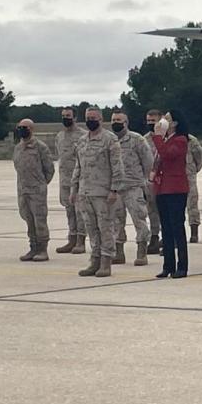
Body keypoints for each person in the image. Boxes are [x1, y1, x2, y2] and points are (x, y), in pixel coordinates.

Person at [71, 107, 125, 278]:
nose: (90, 120)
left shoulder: (110, 139)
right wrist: (74, 189)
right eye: (88, 117)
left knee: (105, 228)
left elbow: (117, 167)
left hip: (103, 193)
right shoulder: (81, 141)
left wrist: (114, 189)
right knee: (91, 228)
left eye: (94, 117)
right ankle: (94, 260)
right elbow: (78, 167)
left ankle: (106, 262)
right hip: (85, 192)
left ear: (101, 119)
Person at [110, 110, 153, 266]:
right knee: (116, 221)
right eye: (113, 120)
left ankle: (142, 251)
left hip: (133, 186)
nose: (116, 122)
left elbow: (148, 162)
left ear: (126, 123)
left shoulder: (137, 140)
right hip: (115, 188)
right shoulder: (109, 140)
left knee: (139, 219)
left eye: (119, 120)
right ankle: (118, 252)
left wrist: (145, 182)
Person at [151, 111, 190, 278]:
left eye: (166, 119)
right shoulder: (166, 140)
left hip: (176, 189)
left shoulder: (180, 140)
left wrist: (158, 137)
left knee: (177, 227)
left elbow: (168, 154)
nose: (162, 122)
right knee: (165, 228)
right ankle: (168, 265)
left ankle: (182, 266)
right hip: (162, 188)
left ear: (174, 123)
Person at [13, 118, 55, 262]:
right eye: (20, 127)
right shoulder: (18, 148)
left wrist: (41, 184)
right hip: (23, 190)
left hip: (37, 191)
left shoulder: (40, 147)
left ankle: (43, 250)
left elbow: (49, 169)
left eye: (25, 127)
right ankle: (33, 248)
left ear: (32, 129)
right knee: (28, 220)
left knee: (40, 221)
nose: (22, 130)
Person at [55, 106, 86, 254]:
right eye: (63, 116)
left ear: (75, 118)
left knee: (80, 212)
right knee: (69, 211)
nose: (65, 118)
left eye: (68, 116)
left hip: (79, 181)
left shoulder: (83, 136)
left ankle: (80, 241)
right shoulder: (59, 136)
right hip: (64, 180)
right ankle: (71, 239)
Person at [143, 109, 164, 255]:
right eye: (149, 121)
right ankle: (155, 237)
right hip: (150, 182)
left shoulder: (168, 137)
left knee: (166, 212)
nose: (151, 124)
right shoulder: (143, 140)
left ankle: (170, 238)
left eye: (154, 121)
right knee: (152, 211)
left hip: (166, 181)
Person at [185, 132, 202, 243]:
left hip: (188, 176)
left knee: (192, 204)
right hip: (172, 178)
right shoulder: (165, 138)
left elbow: (200, 156)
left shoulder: (190, 140)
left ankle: (194, 232)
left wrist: (193, 170)